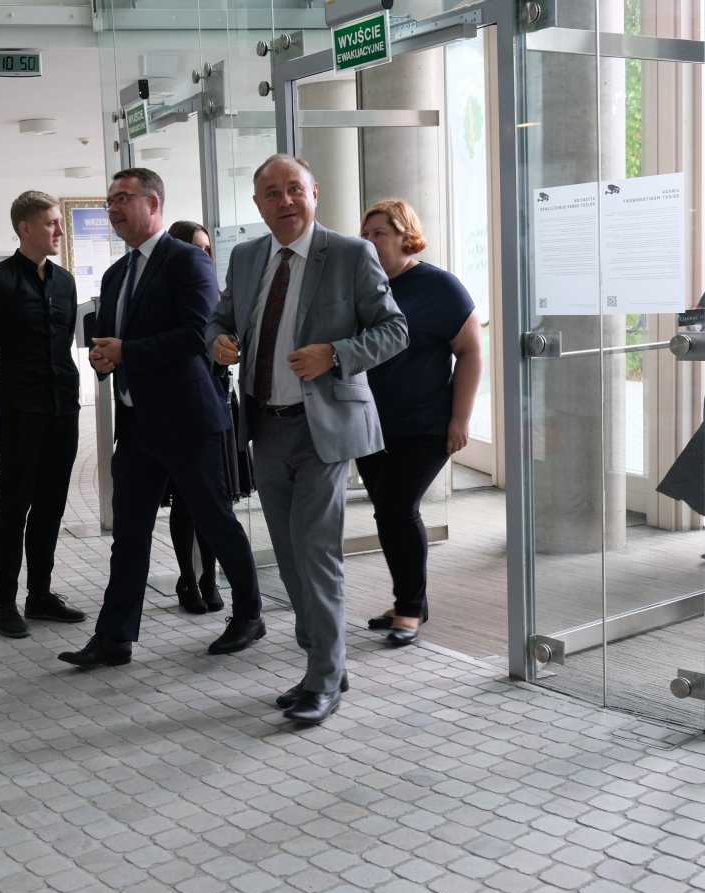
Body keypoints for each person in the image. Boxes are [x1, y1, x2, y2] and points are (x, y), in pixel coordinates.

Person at [207, 154, 408, 724]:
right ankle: (325, 661)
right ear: (257, 205)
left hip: (322, 426)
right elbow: (220, 319)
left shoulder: (349, 253)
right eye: (272, 193)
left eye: (294, 189)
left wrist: (335, 355)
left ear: (314, 192)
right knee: (291, 557)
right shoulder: (247, 257)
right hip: (265, 426)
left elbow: (395, 329)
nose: (285, 201)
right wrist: (217, 341)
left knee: (316, 553)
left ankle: (323, 679)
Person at [57, 168, 265, 669]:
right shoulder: (116, 274)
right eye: (110, 200)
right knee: (129, 535)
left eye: (123, 198)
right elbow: (111, 341)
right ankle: (114, 637)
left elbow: (197, 335)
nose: (113, 208)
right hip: (136, 427)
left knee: (215, 521)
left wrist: (127, 351)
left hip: (188, 421)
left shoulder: (187, 261)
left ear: (153, 203)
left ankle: (249, 614)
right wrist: (102, 359)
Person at [354, 199, 483, 647]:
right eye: (365, 234)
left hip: (426, 426)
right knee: (388, 514)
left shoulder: (440, 287)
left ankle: (409, 609)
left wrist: (460, 419)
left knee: (397, 509)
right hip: (370, 424)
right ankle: (411, 602)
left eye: (380, 233)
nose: (370, 241)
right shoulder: (363, 287)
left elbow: (471, 351)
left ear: (406, 236)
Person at [0, 190, 87, 637]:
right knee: (15, 505)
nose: (59, 231)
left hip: (63, 409)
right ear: (25, 228)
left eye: (59, 223)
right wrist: (2, 396)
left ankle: (40, 595)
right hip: (21, 412)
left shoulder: (65, 282)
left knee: (52, 504)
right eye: (52, 222)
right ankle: (5, 604)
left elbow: (64, 342)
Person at [160, 220, 253, 615]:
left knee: (217, 499)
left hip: (220, 400)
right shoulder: (168, 294)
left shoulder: (218, 294)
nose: (202, 256)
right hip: (182, 406)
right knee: (186, 499)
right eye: (194, 247)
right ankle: (187, 578)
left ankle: (209, 579)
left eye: (207, 249)